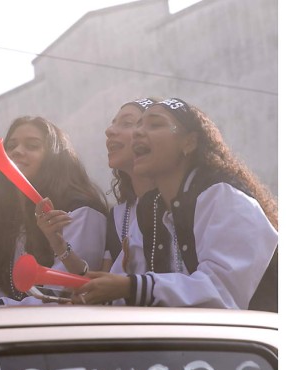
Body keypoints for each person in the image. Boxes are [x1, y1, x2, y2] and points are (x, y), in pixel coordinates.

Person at [71, 98, 278, 310]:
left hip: (255, 339)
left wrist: (129, 287)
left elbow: (223, 293)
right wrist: (97, 293)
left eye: (155, 124)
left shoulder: (223, 196)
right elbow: (127, 284)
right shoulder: (150, 209)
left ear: (189, 142)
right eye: (138, 125)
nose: (138, 133)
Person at [0, 116, 108, 305]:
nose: (16, 152)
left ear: (54, 157)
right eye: (11, 146)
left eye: (32, 145)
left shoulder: (80, 210)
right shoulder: (5, 218)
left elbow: (63, 295)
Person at [102, 97, 160, 276]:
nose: (109, 130)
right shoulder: (118, 216)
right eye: (113, 124)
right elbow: (104, 285)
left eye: (126, 123)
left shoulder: (184, 205)